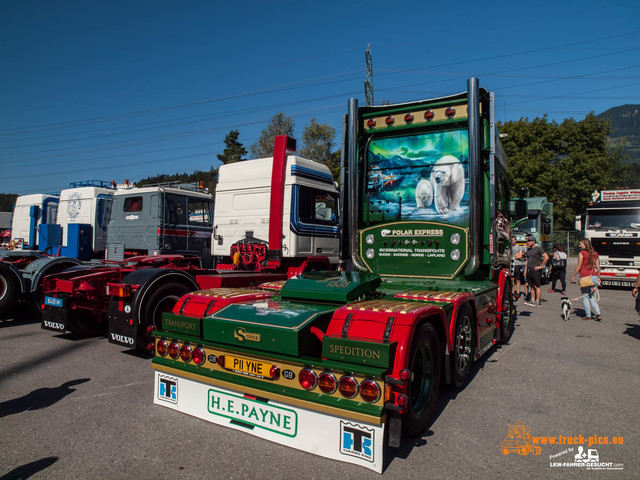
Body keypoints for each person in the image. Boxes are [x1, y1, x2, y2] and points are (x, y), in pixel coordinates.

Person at [570, 238, 602, 321]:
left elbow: (579, 265)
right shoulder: (595, 253)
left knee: (585, 297)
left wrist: (573, 275)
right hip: (594, 276)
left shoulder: (582, 253)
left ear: (585, 245)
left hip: (585, 276)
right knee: (591, 296)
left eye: (581, 244)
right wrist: (598, 277)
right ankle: (598, 313)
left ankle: (588, 316)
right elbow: (598, 267)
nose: (579, 246)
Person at [524, 235, 549, 307]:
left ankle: (538, 301)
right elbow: (527, 260)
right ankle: (533, 299)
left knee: (537, 286)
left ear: (533, 242)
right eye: (527, 241)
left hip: (536, 270)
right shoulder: (528, 250)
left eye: (529, 241)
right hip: (529, 269)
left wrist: (541, 266)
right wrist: (525, 270)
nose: (527, 242)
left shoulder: (538, 249)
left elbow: (546, 257)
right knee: (531, 286)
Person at [511, 236, 527, 300]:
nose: (512, 241)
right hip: (511, 264)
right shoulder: (509, 247)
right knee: (512, 279)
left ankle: (518, 292)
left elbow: (520, 255)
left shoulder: (519, 247)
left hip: (517, 264)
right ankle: (512, 291)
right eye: (511, 240)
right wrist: (515, 255)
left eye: (513, 240)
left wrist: (513, 257)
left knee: (518, 279)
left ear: (515, 240)